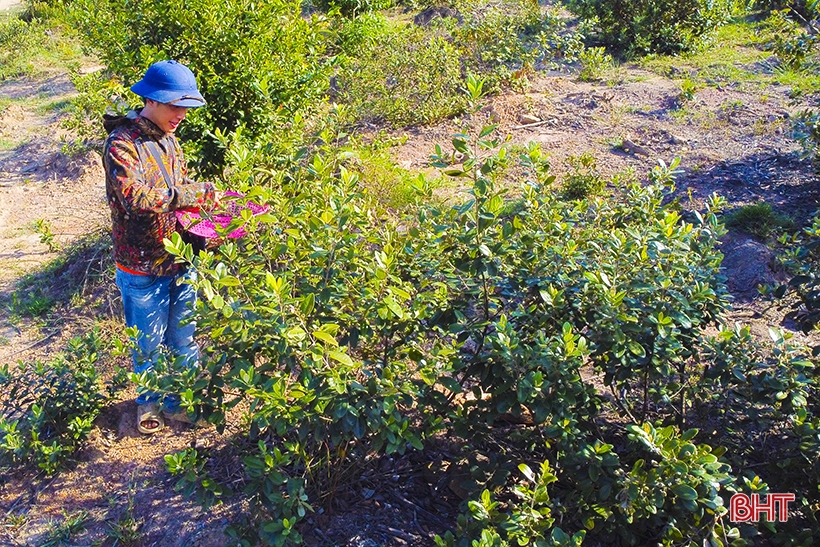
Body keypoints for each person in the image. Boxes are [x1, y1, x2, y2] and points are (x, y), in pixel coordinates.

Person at [103, 60, 217, 434]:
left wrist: (210, 215)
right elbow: (136, 197)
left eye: (186, 108)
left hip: (180, 258)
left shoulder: (170, 140)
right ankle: (148, 402)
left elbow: (179, 193)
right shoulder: (122, 144)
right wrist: (190, 193)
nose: (181, 115)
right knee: (148, 345)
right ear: (150, 100)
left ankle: (182, 402)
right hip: (141, 266)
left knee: (184, 339)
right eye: (175, 106)